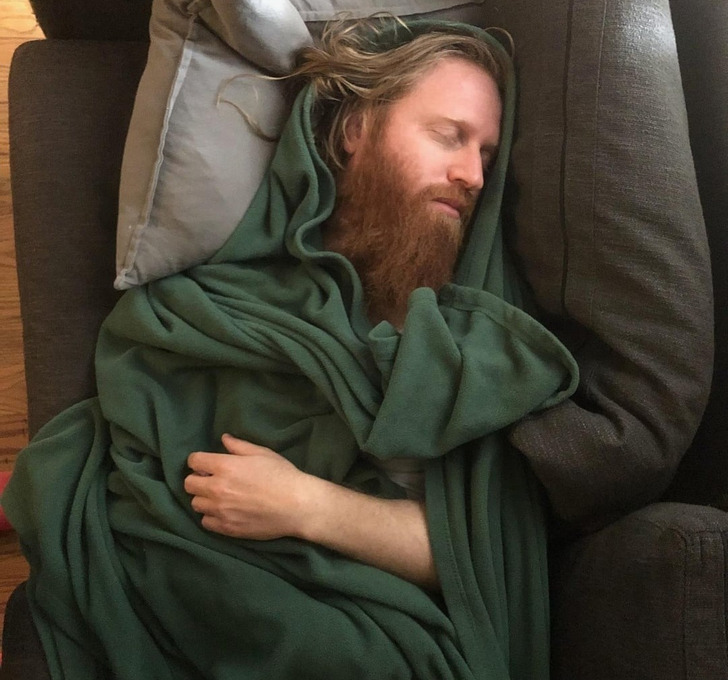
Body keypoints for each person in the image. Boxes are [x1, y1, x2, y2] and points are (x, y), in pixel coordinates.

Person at [185, 19, 505, 592]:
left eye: (486, 154)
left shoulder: (460, 326)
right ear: (358, 127)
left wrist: (304, 504)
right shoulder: (226, 295)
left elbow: (486, 555)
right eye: (447, 135)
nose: (474, 175)